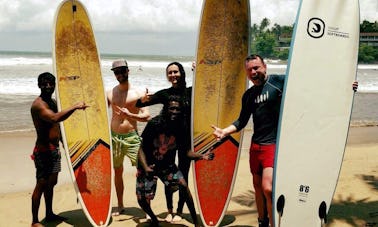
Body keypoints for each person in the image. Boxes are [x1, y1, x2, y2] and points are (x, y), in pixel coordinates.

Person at [212, 54, 359, 227]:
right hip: (255, 146)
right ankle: (262, 221)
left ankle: (274, 223)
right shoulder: (248, 95)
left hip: (273, 145)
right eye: (250, 70)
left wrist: (343, 86)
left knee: (268, 188)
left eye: (256, 68)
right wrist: (225, 132)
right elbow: (241, 121)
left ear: (264, 66)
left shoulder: (279, 82)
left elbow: (310, 86)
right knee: (258, 186)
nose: (253, 72)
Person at [135, 95, 214, 227]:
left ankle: (196, 222)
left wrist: (202, 156)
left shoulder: (181, 127)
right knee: (142, 199)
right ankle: (154, 220)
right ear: (166, 109)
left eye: (178, 109)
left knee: (184, 186)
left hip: (167, 165)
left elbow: (186, 152)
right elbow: (141, 148)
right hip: (148, 165)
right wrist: (145, 167)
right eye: (172, 108)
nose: (175, 112)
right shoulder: (154, 123)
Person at [135, 62, 192, 222]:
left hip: (185, 140)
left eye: (176, 72)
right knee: (169, 172)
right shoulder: (165, 94)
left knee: (184, 176)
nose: (173, 75)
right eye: (170, 73)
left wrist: (199, 70)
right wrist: (142, 99)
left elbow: (207, 89)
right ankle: (170, 210)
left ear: (182, 72)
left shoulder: (190, 92)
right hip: (171, 140)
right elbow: (140, 104)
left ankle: (180, 210)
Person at [30, 72, 88, 227]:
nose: (48, 86)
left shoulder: (53, 102)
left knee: (51, 183)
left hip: (54, 150)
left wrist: (63, 142)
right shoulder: (39, 105)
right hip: (43, 152)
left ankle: (49, 213)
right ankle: (35, 221)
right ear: (39, 85)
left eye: (51, 83)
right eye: (44, 83)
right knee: (41, 185)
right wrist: (75, 106)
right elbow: (55, 118)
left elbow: (57, 126)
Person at [107, 59, 151, 216]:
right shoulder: (110, 93)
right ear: (114, 74)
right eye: (116, 72)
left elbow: (146, 116)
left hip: (132, 137)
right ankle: (120, 205)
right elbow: (96, 111)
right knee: (117, 171)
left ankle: (146, 207)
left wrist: (130, 114)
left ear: (128, 71)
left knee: (142, 171)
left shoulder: (138, 94)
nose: (120, 74)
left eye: (122, 71)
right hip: (115, 137)